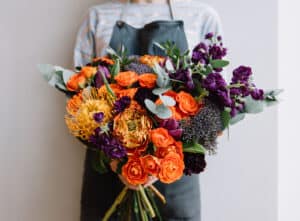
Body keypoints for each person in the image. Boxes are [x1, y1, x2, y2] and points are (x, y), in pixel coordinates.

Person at [74, 0, 222, 220]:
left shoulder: (202, 17)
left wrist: (161, 160)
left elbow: (216, 102)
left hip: (174, 176)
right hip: (109, 170)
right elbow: (79, 98)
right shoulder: (97, 17)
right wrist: (119, 162)